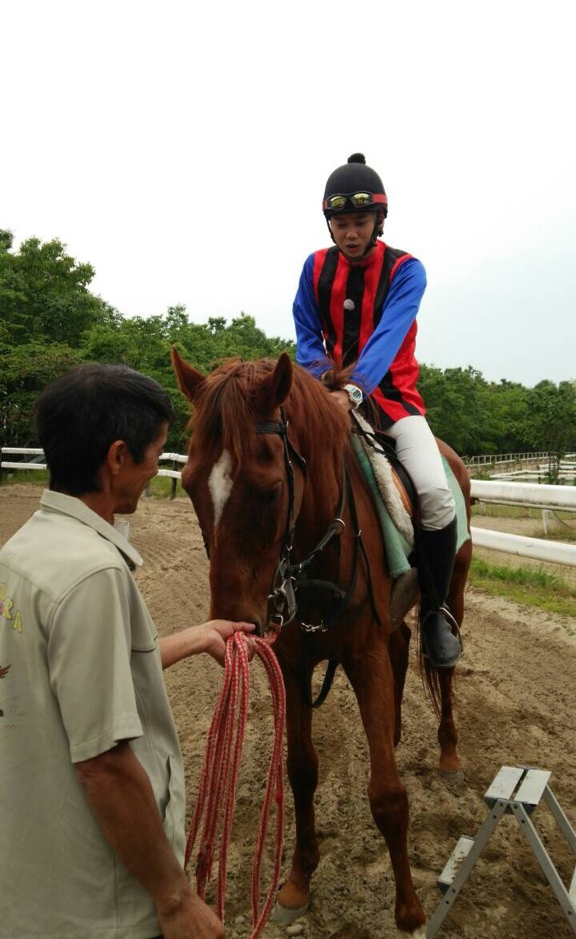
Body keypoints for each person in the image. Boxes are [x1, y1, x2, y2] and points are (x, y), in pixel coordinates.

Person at [0, 363, 255, 939]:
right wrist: (175, 899)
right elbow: (105, 766)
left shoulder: (25, 549)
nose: (150, 472)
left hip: (33, 880)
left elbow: (68, 675)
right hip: (97, 906)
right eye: (154, 454)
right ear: (118, 458)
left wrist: (197, 636)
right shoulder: (93, 573)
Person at [292, 153, 462, 669]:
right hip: (329, 402)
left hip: (392, 404)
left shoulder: (407, 271)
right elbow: (305, 336)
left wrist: (356, 389)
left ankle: (434, 613)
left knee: (434, 494)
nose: (349, 233)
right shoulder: (315, 268)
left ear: (378, 221)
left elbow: (388, 339)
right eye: (340, 223)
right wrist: (328, 382)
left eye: (359, 222)